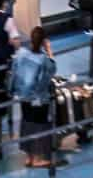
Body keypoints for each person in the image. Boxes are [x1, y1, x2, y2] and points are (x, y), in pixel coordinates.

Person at [9, 27, 58, 166]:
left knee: (27, 123)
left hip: (23, 96)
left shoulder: (20, 54)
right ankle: (38, 158)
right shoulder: (43, 59)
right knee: (40, 126)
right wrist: (49, 50)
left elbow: (13, 72)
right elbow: (52, 70)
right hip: (39, 98)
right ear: (43, 41)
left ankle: (29, 157)